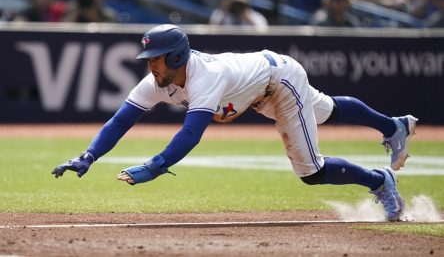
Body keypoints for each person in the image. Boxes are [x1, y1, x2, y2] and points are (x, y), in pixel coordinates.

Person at [52, 24, 418, 221]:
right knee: (327, 111)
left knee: (310, 171)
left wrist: (155, 165)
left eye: (157, 58)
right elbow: (120, 121)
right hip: (258, 88)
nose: (151, 65)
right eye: (148, 58)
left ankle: (379, 180)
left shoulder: (203, 77)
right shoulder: (157, 82)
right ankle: (393, 126)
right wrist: (89, 156)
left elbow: (191, 133)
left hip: (278, 81)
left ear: (178, 56)